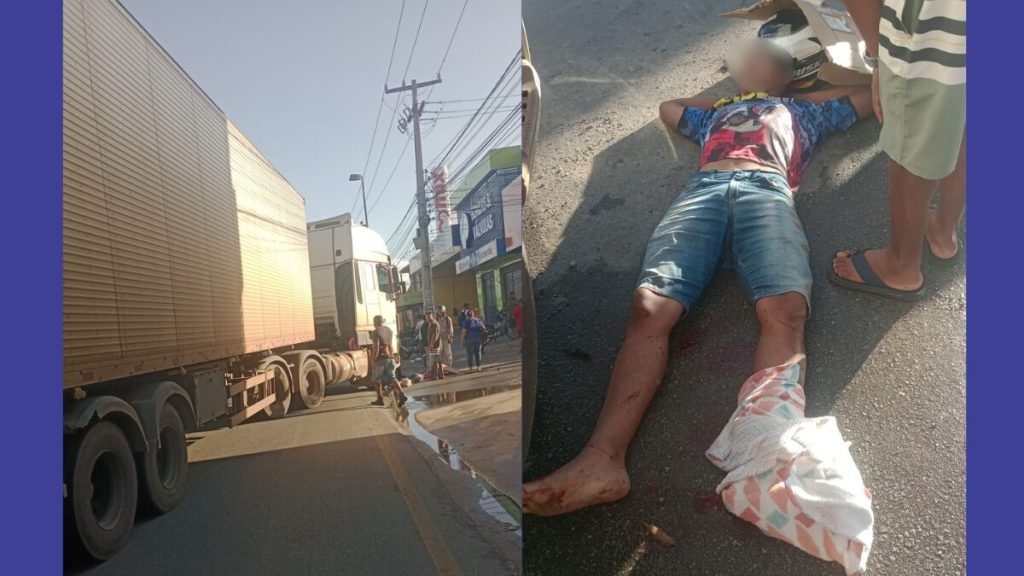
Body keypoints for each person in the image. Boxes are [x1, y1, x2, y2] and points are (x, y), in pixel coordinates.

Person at [522, 38, 873, 516]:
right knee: (649, 307)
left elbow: (874, 94)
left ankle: (771, 459)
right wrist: (737, 99)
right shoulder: (715, 114)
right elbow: (670, 108)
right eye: (744, 58)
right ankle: (601, 461)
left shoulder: (806, 112)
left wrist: (805, 93)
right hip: (704, 188)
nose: (747, 59)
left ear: (790, 74)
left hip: (766, 187)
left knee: (785, 311)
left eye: (762, 56)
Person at [830, 0, 966, 300]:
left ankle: (901, 266)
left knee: (911, 138)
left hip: (932, 33)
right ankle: (944, 231)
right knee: (965, 119)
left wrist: (880, 57)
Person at [370, 315, 407, 408]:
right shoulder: (389, 330)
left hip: (381, 359)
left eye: (374, 322)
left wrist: (373, 360)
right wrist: (393, 357)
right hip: (390, 358)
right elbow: (390, 346)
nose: (373, 324)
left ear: (376, 322)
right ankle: (402, 395)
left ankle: (380, 399)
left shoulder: (375, 332)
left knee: (376, 379)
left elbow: (376, 347)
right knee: (393, 378)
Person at [436, 305, 456, 373]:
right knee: (441, 354)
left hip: (446, 338)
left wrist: (450, 337)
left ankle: (449, 368)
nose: (439, 313)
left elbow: (451, 329)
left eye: (440, 311)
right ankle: (443, 369)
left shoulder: (448, 319)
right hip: (439, 339)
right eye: (438, 311)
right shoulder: (436, 319)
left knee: (447, 354)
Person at [425, 310, 444, 381]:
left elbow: (434, 335)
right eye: (426, 317)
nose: (427, 318)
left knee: (435, 361)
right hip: (437, 345)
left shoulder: (433, 323)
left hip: (435, 345)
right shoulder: (433, 323)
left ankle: (435, 376)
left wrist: (431, 345)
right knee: (439, 361)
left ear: (431, 316)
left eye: (428, 316)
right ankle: (441, 374)